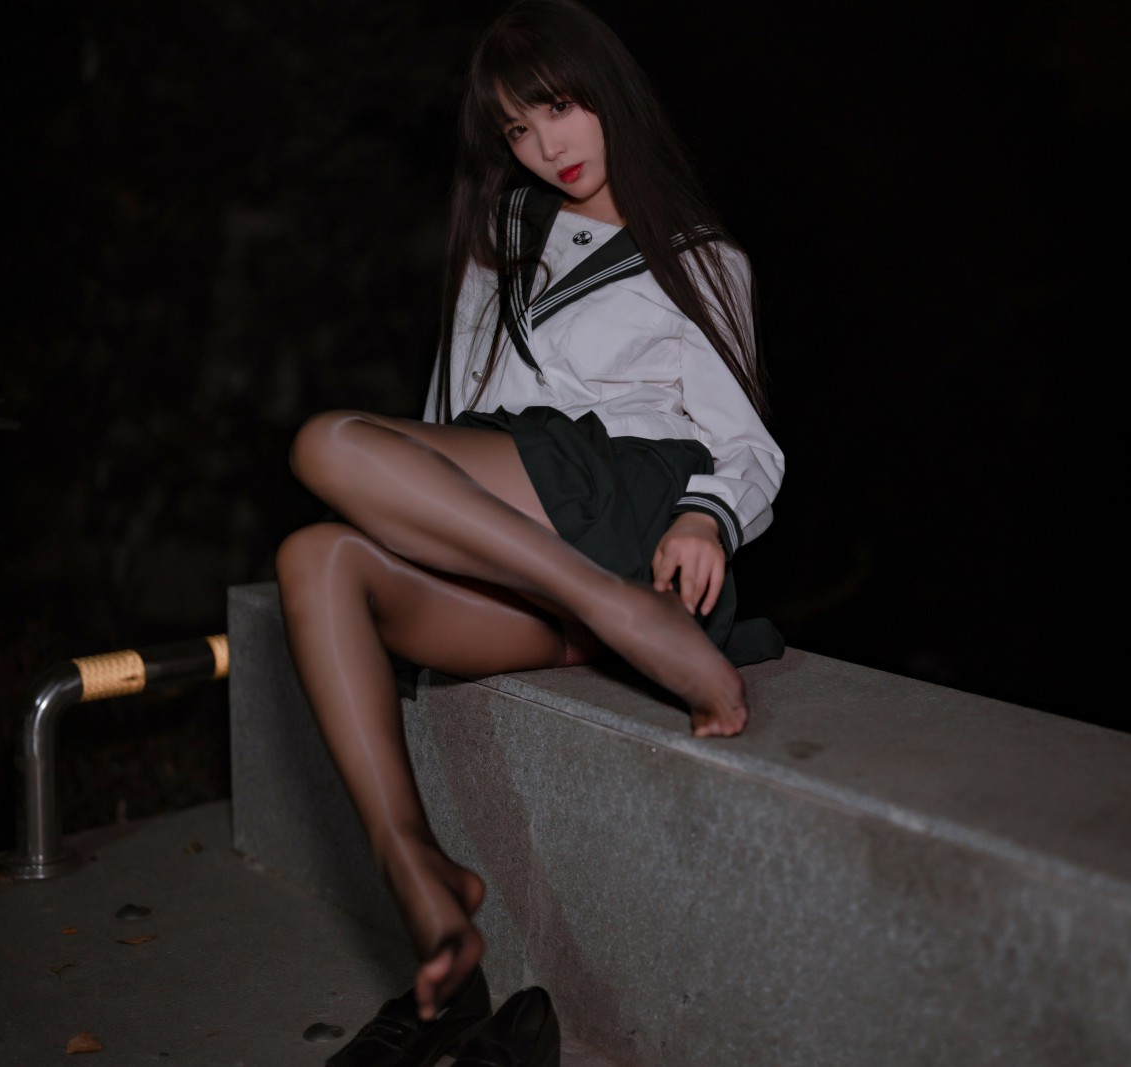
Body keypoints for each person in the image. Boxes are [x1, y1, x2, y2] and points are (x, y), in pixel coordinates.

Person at [274, 0, 784, 1028]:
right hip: (519, 539)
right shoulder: (498, 239)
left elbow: (748, 444)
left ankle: (621, 606)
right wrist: (413, 519)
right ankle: (420, 874)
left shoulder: (700, 257)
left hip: (619, 497)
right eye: (516, 126)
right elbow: (449, 410)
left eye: (559, 106)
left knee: (325, 443)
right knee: (315, 557)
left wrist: (704, 519)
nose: (546, 145)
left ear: (611, 94)